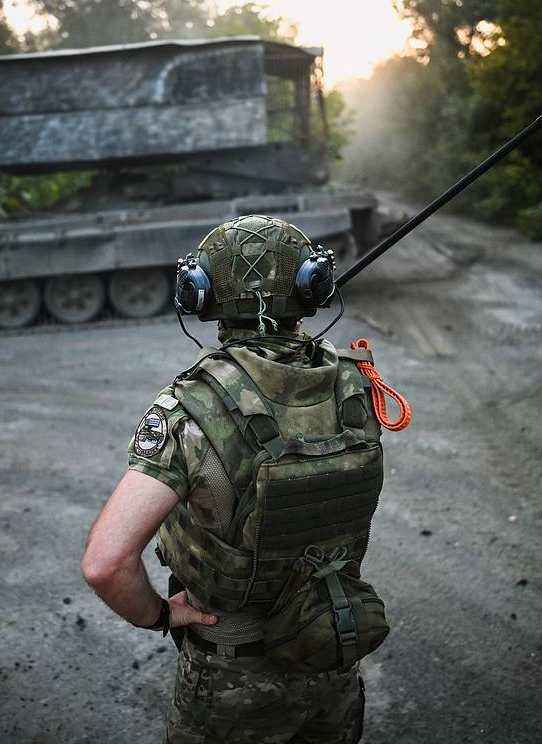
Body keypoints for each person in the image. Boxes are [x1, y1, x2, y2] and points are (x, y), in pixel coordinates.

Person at [82, 215, 406, 743]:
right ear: (312, 288)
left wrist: (160, 615)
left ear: (200, 295)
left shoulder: (190, 410)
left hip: (232, 676)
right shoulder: (356, 387)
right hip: (332, 650)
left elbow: (105, 564)